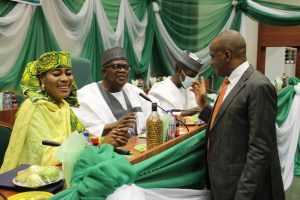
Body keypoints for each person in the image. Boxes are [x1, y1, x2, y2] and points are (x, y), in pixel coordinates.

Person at [191, 30, 285, 200]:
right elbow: (228, 123)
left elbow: (260, 150)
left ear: (227, 55)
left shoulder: (258, 86)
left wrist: (243, 196)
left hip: (241, 187)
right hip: (224, 182)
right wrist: (204, 105)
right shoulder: (229, 82)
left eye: (213, 56)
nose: (211, 62)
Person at [0, 51, 129, 173]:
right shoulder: (35, 107)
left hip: (66, 171)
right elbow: (48, 157)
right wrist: (100, 145)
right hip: (38, 180)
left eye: (68, 73)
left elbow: (83, 138)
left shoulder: (63, 106)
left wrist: (106, 140)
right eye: (56, 74)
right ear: (41, 79)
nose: (65, 79)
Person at [72, 47, 153, 136]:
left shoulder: (135, 91)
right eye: (116, 66)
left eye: (125, 67)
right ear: (104, 72)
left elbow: (154, 114)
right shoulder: (85, 95)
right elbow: (84, 129)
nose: (122, 70)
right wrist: (114, 126)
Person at [148, 50, 202, 116]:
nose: (192, 80)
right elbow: (165, 116)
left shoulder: (188, 89)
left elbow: (196, 110)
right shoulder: (159, 90)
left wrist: (200, 100)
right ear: (179, 71)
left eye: (194, 77)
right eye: (191, 76)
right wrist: (198, 108)